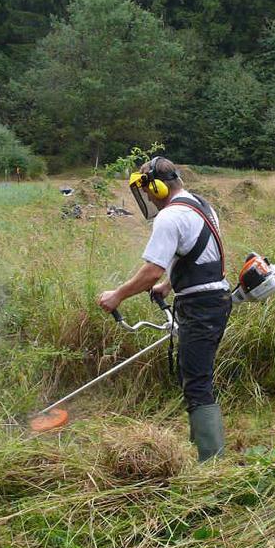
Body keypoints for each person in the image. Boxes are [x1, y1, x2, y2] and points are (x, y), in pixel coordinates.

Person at [97, 157, 232, 462]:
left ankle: (212, 463)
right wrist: (169, 286)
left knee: (197, 381)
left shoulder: (170, 217)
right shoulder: (201, 205)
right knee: (195, 374)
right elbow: (199, 254)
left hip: (201, 307)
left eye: (147, 192)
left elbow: (151, 271)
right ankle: (204, 449)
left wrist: (117, 295)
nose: (146, 198)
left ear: (157, 187)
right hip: (214, 300)